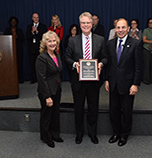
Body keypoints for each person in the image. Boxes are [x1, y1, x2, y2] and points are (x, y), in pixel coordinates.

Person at [64, 12, 108, 144]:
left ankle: (92, 133)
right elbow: (66, 57)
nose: (86, 25)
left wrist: (101, 64)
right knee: (78, 108)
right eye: (83, 23)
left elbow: (105, 57)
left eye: (88, 22)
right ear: (80, 24)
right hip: (78, 80)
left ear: (92, 23)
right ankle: (79, 133)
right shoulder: (72, 40)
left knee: (93, 108)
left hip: (94, 81)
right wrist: (74, 64)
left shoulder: (100, 39)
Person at [105, 18, 142, 147]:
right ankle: (116, 133)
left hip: (128, 85)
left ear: (128, 29)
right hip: (113, 84)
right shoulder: (110, 43)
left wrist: (135, 84)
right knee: (113, 111)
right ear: (115, 28)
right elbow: (108, 64)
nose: (120, 30)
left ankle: (124, 135)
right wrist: (107, 80)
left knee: (126, 111)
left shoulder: (136, 43)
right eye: (118, 27)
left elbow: (138, 66)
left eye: (123, 27)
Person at [36, 31, 63, 148]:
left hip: (56, 89)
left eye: (54, 41)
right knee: (47, 116)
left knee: (55, 114)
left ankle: (55, 135)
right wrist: (47, 96)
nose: (52, 43)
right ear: (44, 43)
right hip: (46, 91)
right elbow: (41, 79)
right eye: (49, 41)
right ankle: (46, 137)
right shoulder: (41, 58)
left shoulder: (56, 55)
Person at [26, 13, 47, 84]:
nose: (36, 19)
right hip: (31, 49)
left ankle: (41, 79)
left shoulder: (43, 26)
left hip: (40, 48)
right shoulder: (29, 26)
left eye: (37, 17)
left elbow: (43, 38)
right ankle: (33, 79)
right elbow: (27, 37)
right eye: (34, 17)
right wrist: (32, 32)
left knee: (41, 65)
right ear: (32, 18)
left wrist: (37, 32)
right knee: (32, 64)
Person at [4, 16, 25, 83]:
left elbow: (22, 39)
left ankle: (20, 79)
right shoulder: (7, 30)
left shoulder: (19, 30)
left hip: (18, 50)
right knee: (10, 65)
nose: (13, 23)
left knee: (19, 64)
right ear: (10, 23)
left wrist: (16, 36)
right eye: (12, 21)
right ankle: (11, 79)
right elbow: (4, 39)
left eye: (14, 21)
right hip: (9, 50)